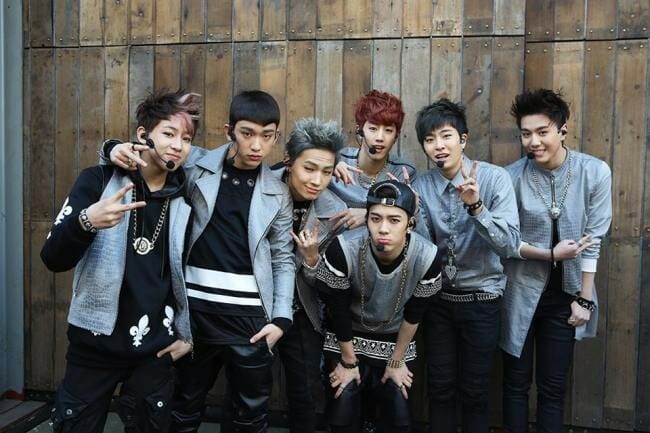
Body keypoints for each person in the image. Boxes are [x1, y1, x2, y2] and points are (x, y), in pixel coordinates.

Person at [105, 90, 295, 433]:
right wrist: (110, 148)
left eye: (267, 136)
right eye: (247, 133)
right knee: (182, 409)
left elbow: (283, 257)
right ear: (229, 131)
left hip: (250, 323)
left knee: (249, 417)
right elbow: (147, 150)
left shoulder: (277, 191)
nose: (257, 145)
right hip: (193, 317)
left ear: (275, 137)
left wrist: (281, 319)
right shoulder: (196, 164)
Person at [41, 89, 200, 433]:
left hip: (154, 350)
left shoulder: (187, 199)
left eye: (186, 139)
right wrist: (86, 221)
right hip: (93, 343)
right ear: (143, 135)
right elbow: (52, 257)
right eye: (168, 133)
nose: (178, 145)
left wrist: (187, 335)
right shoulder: (98, 182)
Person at [501, 89, 612, 433]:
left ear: (563, 129)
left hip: (565, 298)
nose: (533, 142)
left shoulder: (593, 172)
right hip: (519, 294)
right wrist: (549, 254)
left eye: (542, 132)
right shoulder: (511, 176)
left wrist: (584, 298)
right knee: (515, 384)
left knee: (553, 387)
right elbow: (506, 241)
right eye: (526, 134)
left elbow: (593, 240)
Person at [412, 99, 520, 433]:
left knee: (475, 391)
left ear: (463, 139)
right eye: (429, 139)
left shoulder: (494, 179)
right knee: (439, 387)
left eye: (446, 136)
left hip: (482, 300)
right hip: (439, 302)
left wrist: (476, 208)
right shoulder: (423, 186)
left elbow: (509, 244)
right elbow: (424, 251)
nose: (438, 146)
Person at [314, 179, 443, 433]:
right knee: (343, 408)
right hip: (346, 335)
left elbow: (415, 313)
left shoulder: (427, 256)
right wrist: (348, 362)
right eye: (375, 219)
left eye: (394, 220)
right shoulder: (343, 248)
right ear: (367, 219)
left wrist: (396, 361)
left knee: (397, 411)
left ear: (410, 224)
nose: (383, 228)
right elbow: (337, 309)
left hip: (396, 337)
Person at [270, 117, 348, 433]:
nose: (317, 180)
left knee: (305, 393)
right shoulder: (261, 188)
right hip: (256, 305)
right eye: (309, 168)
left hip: (303, 309)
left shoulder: (333, 210)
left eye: (327, 172)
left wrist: (313, 260)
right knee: (248, 385)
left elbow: (330, 285)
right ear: (288, 161)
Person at [329, 89, 416, 231]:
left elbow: (410, 226)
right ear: (360, 130)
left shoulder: (404, 172)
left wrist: (367, 215)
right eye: (373, 129)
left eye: (388, 130)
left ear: (396, 136)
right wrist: (327, 168)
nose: (380, 137)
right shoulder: (337, 160)